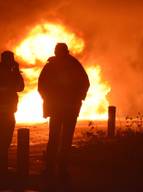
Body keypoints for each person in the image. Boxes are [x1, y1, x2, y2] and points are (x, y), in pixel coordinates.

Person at [38, 43, 90, 176]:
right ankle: (57, 168)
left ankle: (57, 168)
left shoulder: (67, 65)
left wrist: (77, 98)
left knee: (59, 138)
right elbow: (42, 85)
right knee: (60, 138)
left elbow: (42, 85)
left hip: (65, 108)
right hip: (63, 108)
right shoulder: (67, 65)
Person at [0, 51, 24, 175]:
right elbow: (18, 87)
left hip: (9, 111)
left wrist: (16, 71)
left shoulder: (11, 72)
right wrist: (15, 72)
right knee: (4, 141)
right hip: (5, 113)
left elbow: (20, 87)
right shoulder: (6, 73)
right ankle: (2, 170)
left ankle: (3, 168)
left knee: (5, 142)